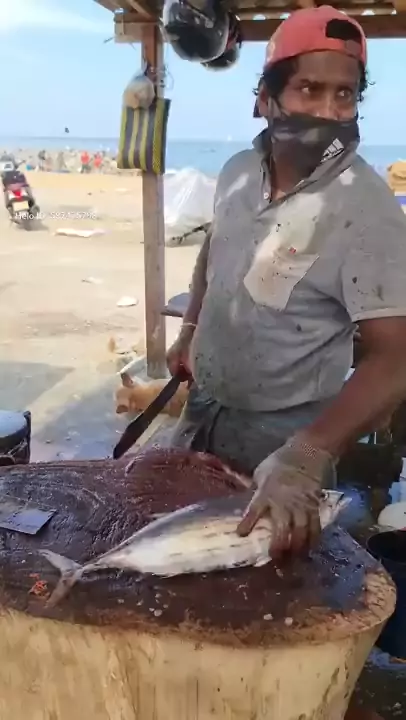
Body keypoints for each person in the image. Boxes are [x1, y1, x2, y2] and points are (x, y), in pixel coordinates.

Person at [166, 6, 406, 559]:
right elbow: (215, 249)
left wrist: (310, 454)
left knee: (259, 574)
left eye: (344, 95)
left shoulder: (365, 208)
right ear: (264, 99)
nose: (328, 110)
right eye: (308, 89)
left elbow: (395, 356)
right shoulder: (237, 171)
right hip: (205, 404)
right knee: (172, 541)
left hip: (287, 433)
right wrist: (190, 332)